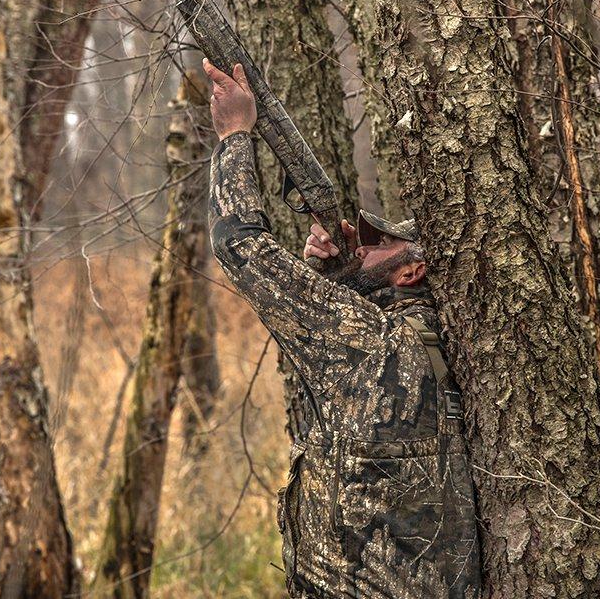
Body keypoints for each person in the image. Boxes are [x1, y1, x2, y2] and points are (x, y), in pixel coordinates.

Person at [202, 58, 482, 599]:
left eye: (382, 242)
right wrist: (338, 278)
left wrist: (235, 136)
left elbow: (238, 243)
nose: (363, 242)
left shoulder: (371, 342)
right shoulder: (424, 346)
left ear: (413, 270)